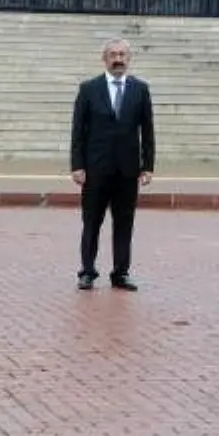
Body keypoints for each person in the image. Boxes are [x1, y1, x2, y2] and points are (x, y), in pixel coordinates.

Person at [69, 38, 155, 292]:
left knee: (124, 223)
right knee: (92, 222)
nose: (118, 59)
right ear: (104, 59)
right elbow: (78, 131)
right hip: (96, 169)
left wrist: (148, 165)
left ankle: (120, 273)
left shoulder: (140, 89)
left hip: (127, 170)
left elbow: (147, 130)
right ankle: (87, 272)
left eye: (123, 55)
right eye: (113, 55)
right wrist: (77, 165)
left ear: (129, 58)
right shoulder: (89, 89)